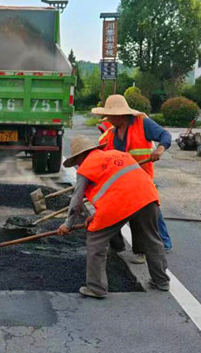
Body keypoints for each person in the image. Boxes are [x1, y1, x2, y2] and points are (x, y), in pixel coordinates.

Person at [58, 136, 170, 298]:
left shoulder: (86, 167)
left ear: (80, 156)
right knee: (152, 238)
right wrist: (96, 215)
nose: (77, 164)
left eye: (76, 160)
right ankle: (161, 281)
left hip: (119, 203)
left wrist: (67, 224)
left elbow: (76, 200)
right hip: (147, 196)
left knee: (96, 241)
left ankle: (96, 288)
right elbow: (116, 185)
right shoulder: (119, 154)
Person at [93, 94, 173, 257]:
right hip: (122, 181)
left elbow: (165, 136)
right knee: (112, 208)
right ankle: (117, 244)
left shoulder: (143, 124)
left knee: (149, 211)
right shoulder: (111, 133)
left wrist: (159, 149)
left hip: (142, 177)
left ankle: (164, 243)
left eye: (111, 115)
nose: (108, 118)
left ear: (121, 114)